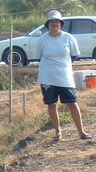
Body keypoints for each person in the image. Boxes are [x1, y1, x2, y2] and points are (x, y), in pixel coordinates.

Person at [37, 10, 92, 141]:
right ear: (48, 24)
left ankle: (81, 131)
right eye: (52, 21)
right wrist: (50, 67)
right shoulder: (41, 40)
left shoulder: (68, 38)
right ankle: (57, 132)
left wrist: (64, 65)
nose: (54, 24)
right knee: (52, 104)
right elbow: (39, 57)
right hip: (47, 77)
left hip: (65, 76)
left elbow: (74, 54)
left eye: (56, 21)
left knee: (72, 103)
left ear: (60, 23)